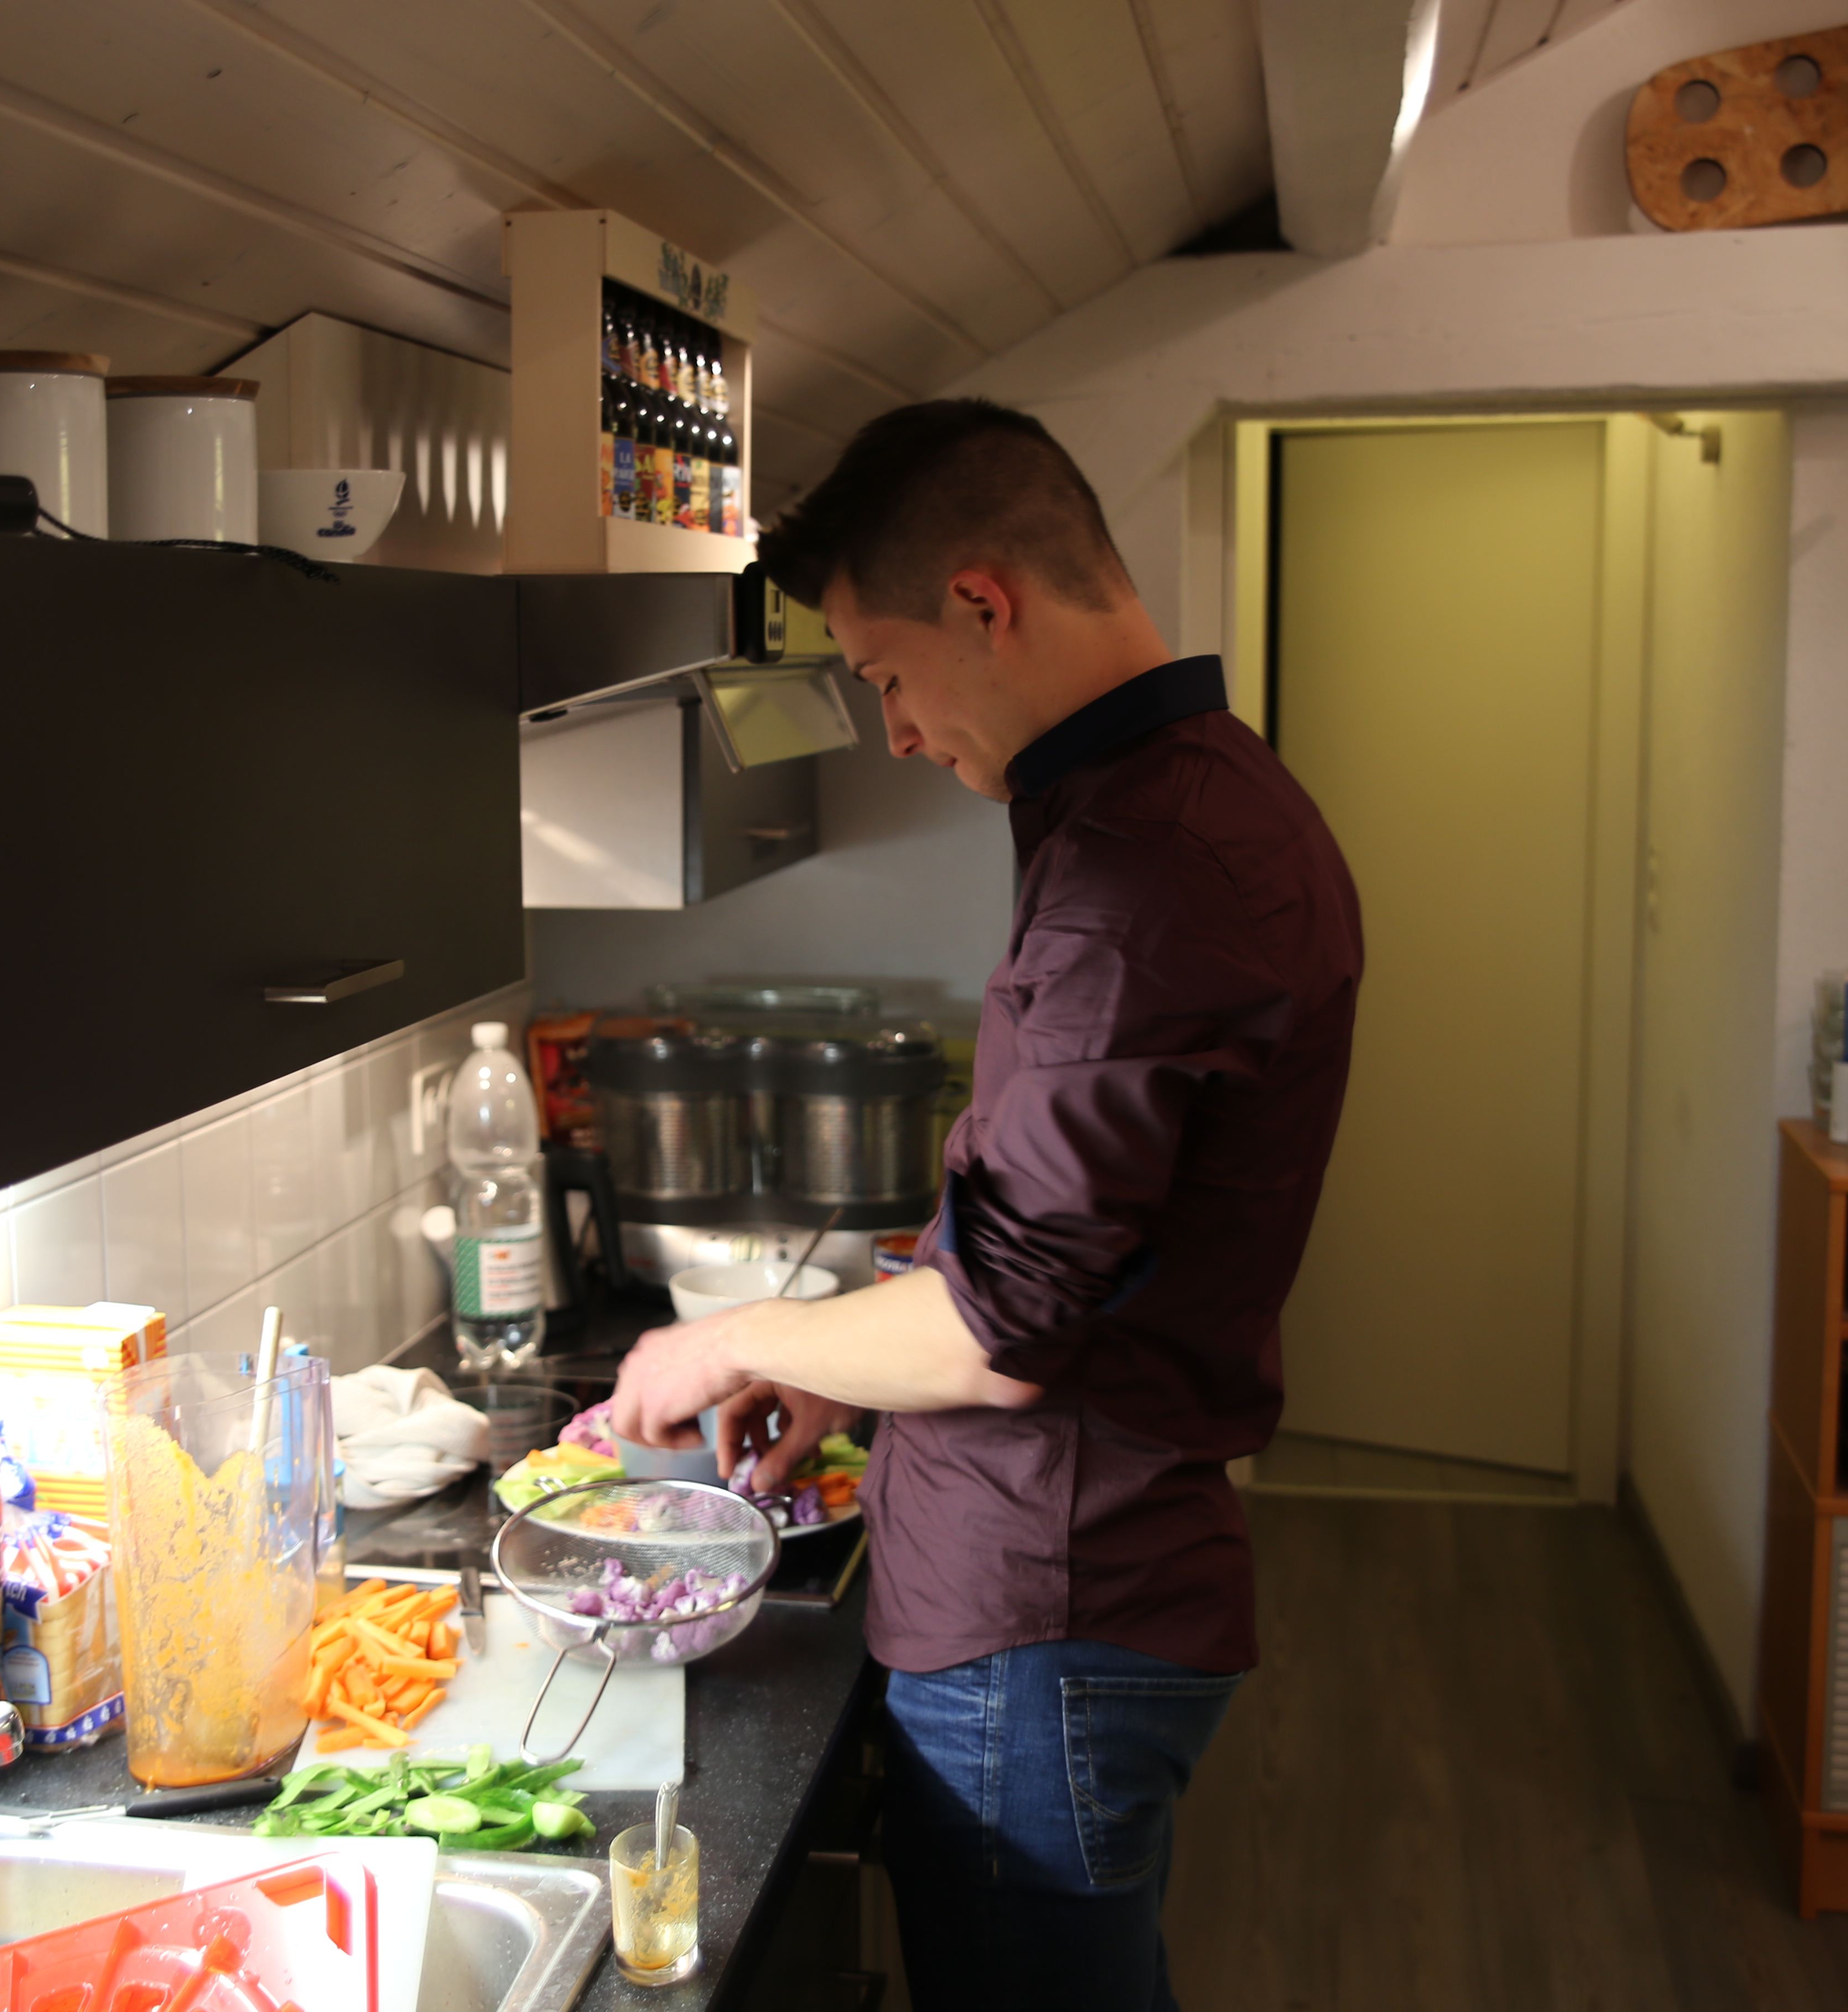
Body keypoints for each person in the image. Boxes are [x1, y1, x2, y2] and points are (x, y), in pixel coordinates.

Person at [604, 399, 1363, 2010]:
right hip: (1084, 1582)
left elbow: (999, 1328)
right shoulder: (1184, 799)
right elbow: (1058, 1248)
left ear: (982, 602)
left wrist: (732, 1338)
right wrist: (840, 1367)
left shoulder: (1140, 878)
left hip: (1049, 1613)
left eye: (884, 674)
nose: (891, 730)